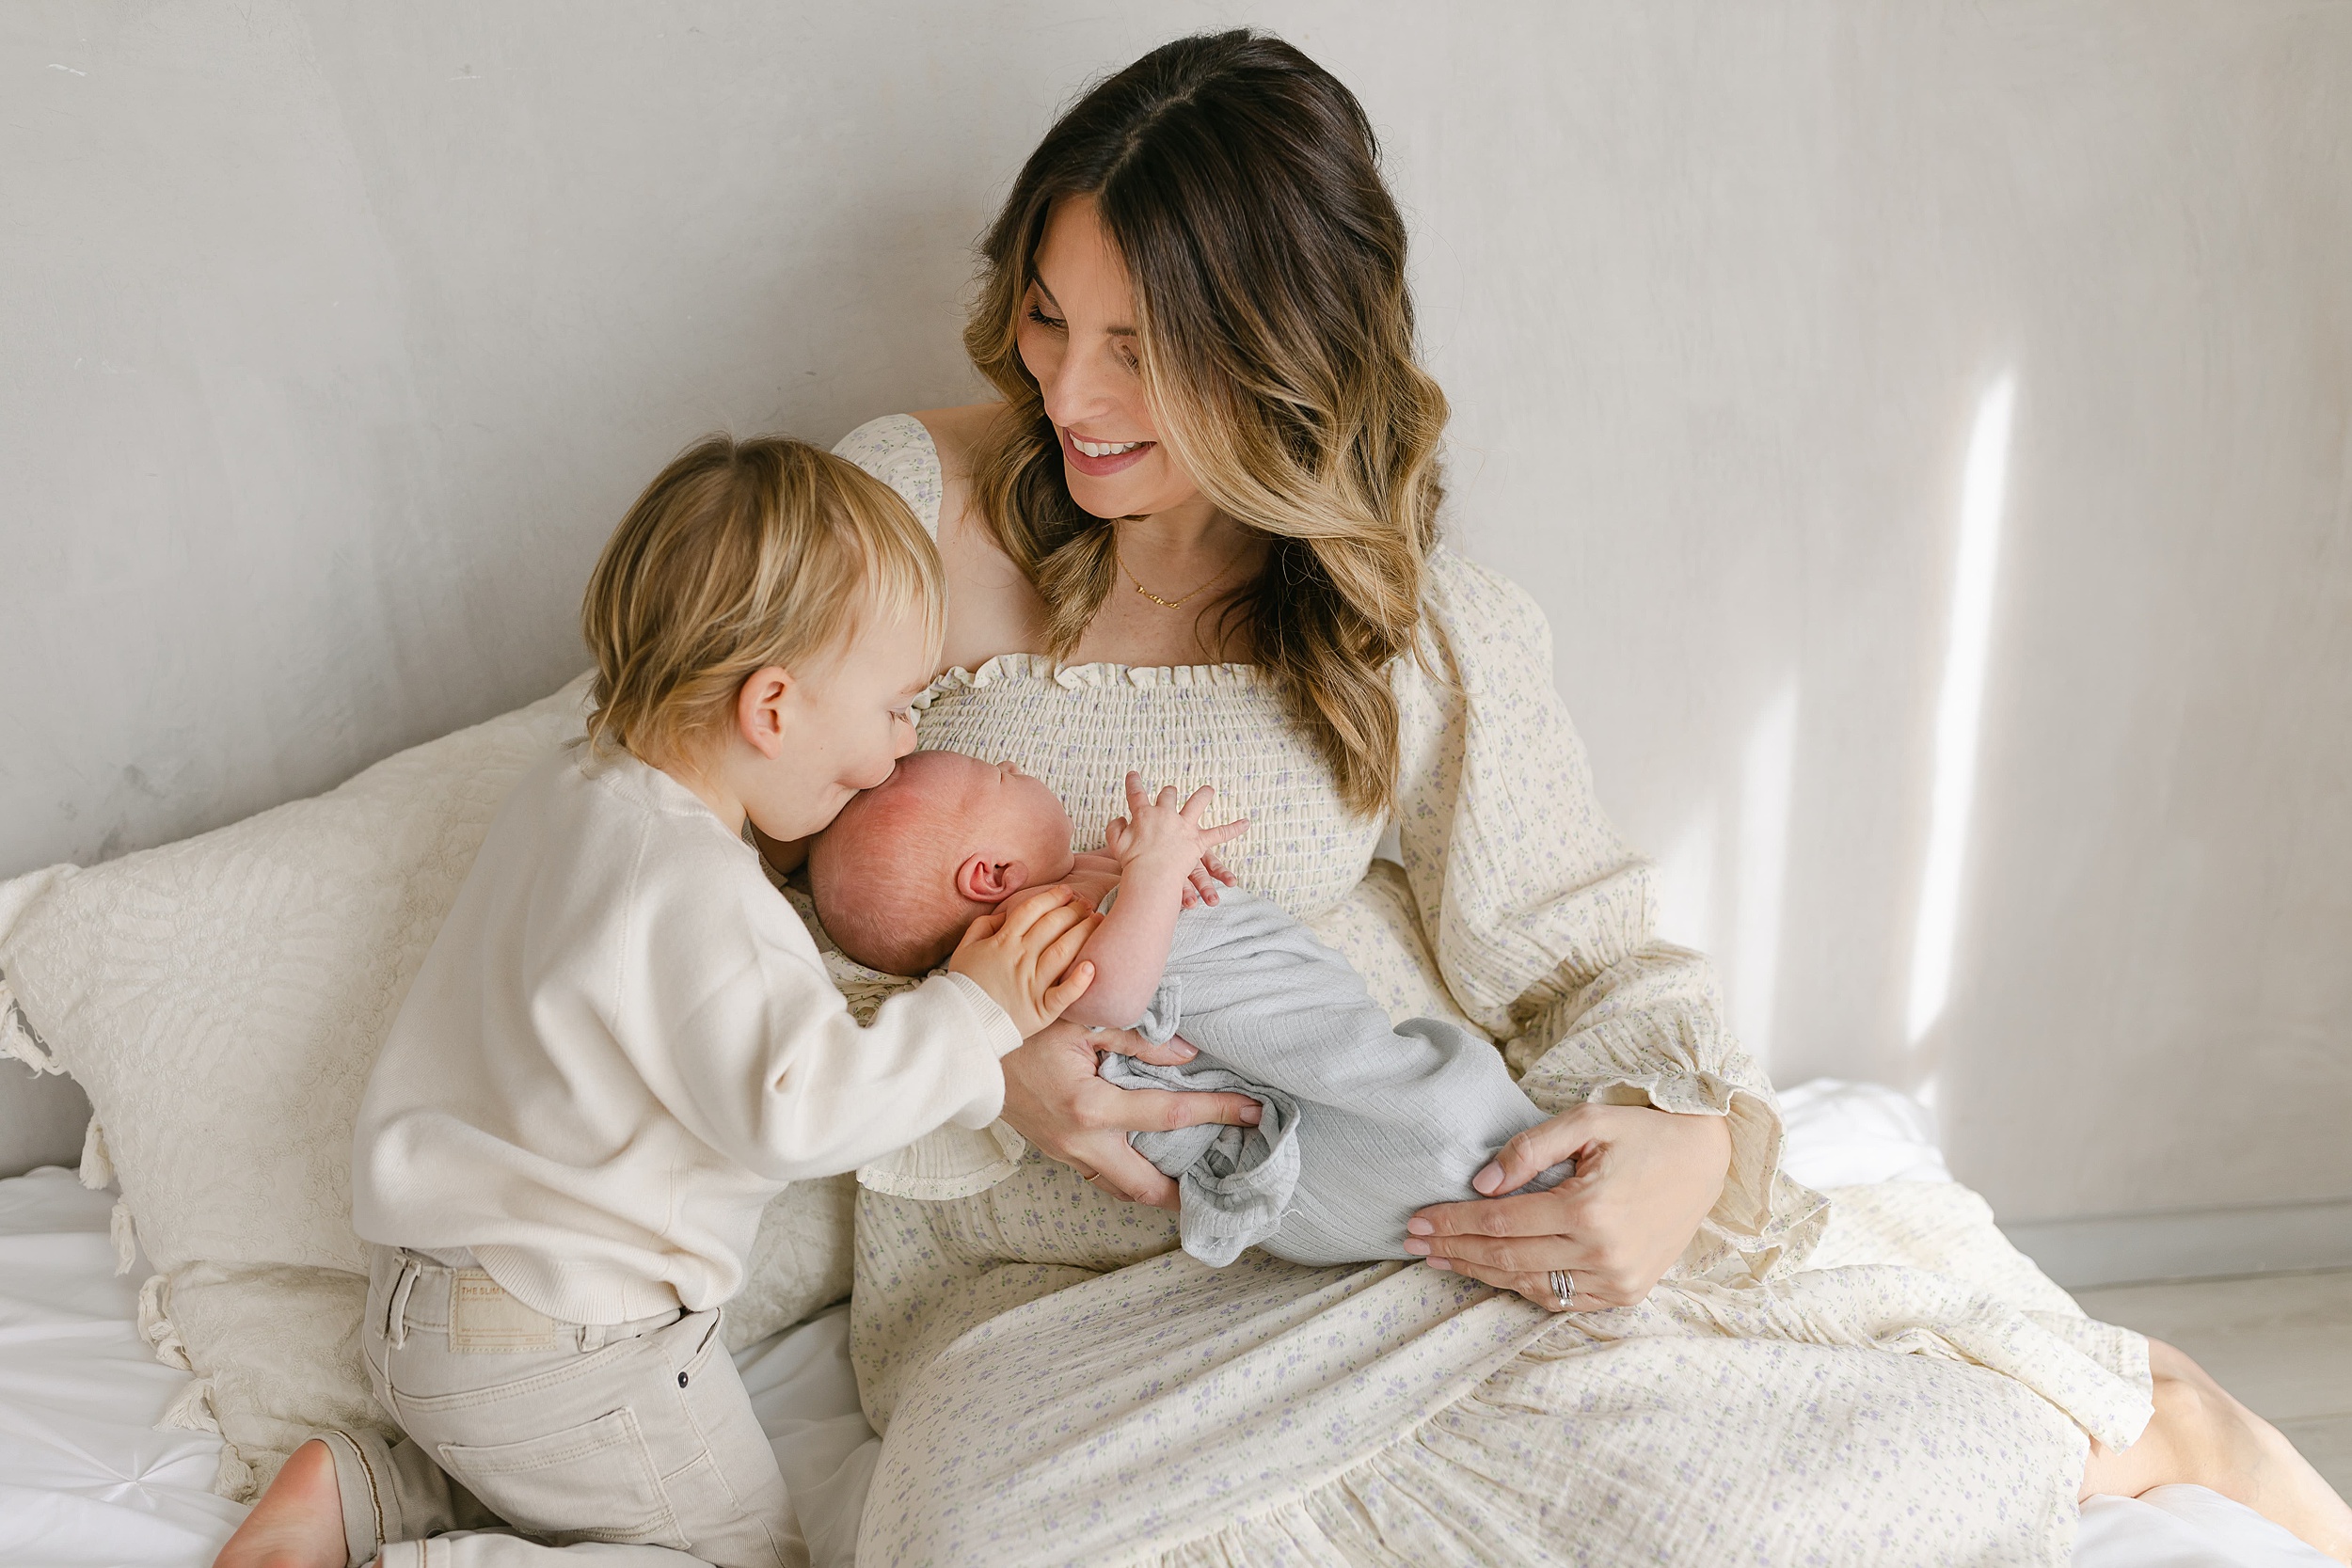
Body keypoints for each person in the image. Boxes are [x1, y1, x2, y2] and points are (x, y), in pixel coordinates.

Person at [796, 29, 2352, 1565]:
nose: (1067, 387)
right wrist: (969, 1066)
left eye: (1135, 346)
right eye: (1049, 318)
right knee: (962, 1532)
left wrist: (1681, 1138)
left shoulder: (1409, 620)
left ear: (1281, 351)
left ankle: (2143, 1418)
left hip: (1392, 1253)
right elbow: (701, 865)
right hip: (1045, 1315)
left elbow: (1577, 946)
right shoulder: (896, 519)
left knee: (1739, 1505)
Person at [212, 436, 1101, 1568]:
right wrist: (975, 1009)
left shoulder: (574, 785)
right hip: (569, 1345)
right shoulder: (697, 894)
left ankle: (368, 1484)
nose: (904, 743)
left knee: (554, 1465)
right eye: (894, 707)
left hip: (428, 1320)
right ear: (771, 710)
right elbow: (804, 1105)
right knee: (746, 1558)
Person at [807, 753, 1573, 1268]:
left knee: (1416, 1087)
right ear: (991, 873)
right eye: (1002, 775)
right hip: (1266, 1083)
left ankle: (1522, 1179)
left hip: (1294, 1014)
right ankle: (1502, 1180)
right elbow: (1110, 994)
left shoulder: (1063, 881)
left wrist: (1172, 880)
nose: (1019, 768)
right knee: (1437, 1110)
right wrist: (1152, 875)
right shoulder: (1022, 932)